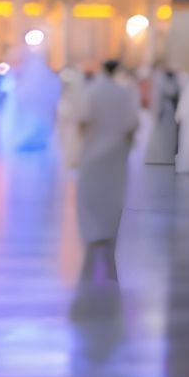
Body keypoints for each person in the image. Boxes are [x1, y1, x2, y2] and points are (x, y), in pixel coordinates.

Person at [74, 57, 142, 280]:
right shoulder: (124, 94)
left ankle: (92, 230)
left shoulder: (92, 92)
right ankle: (108, 229)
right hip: (116, 152)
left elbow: (82, 119)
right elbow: (133, 123)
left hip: (93, 151)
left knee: (89, 192)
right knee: (113, 191)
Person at [143, 64, 180, 165]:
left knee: (166, 136)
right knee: (160, 136)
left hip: (167, 113)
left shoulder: (163, 83)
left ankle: (164, 157)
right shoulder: (161, 83)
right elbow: (161, 98)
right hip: (164, 112)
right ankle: (161, 157)